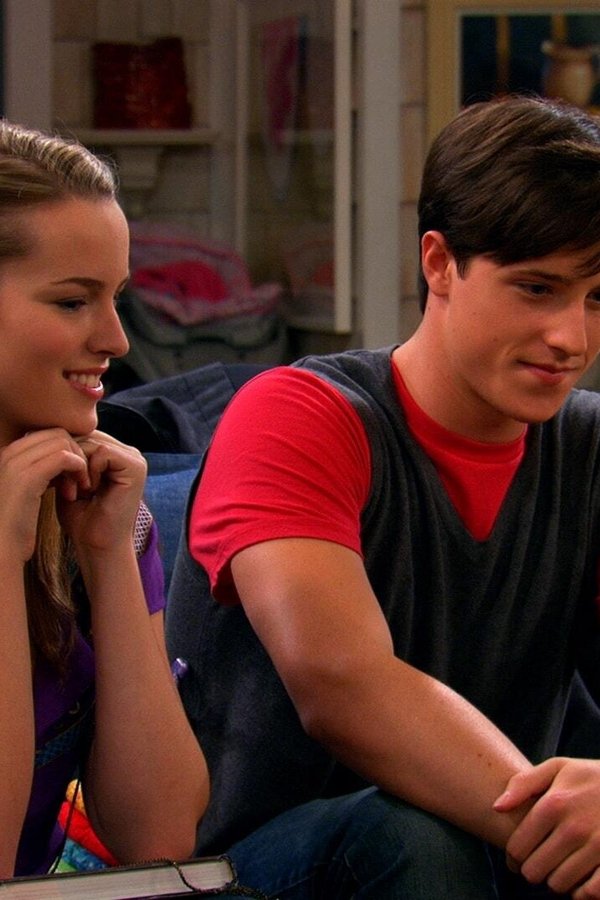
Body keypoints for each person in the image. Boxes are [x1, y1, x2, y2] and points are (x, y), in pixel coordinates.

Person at [165, 93, 600, 899]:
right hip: (252, 870)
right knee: (413, 841)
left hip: (498, 852)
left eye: (597, 299)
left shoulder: (590, 448)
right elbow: (344, 687)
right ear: (439, 262)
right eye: (537, 289)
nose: (572, 338)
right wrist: (564, 832)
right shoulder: (296, 416)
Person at [0, 119, 209, 878]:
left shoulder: (97, 509)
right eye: (72, 302)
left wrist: (110, 555)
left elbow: (159, 839)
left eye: (116, 297)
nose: (117, 340)